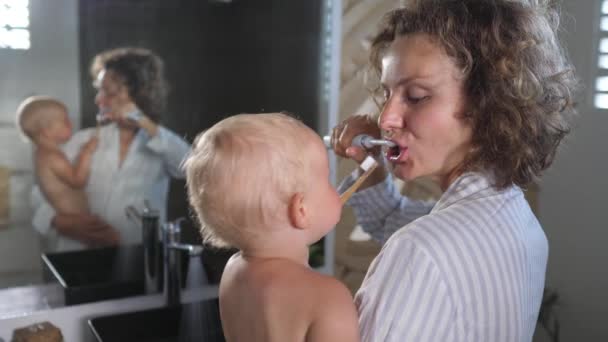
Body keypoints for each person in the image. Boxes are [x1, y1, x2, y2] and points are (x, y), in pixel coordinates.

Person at [329, 1, 578, 341]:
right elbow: (392, 218)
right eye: (387, 93)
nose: (386, 117)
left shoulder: (419, 250)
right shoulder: (518, 219)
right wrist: (370, 165)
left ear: (487, 104)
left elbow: (419, 244)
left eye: (416, 96)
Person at [184, 113, 360, 342]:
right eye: (327, 178)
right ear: (301, 210)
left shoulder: (234, 272)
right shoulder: (328, 298)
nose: (334, 186)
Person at [31, 47, 191, 251]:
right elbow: (39, 191)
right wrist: (59, 221)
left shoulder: (161, 142)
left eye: (108, 91)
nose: (98, 99)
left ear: (139, 94)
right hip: (78, 253)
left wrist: (144, 122)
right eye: (99, 89)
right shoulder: (82, 141)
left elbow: (191, 167)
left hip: (139, 256)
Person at [17, 96, 98, 250]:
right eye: (65, 121)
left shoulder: (43, 154)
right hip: (77, 231)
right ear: (46, 131)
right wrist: (86, 153)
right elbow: (77, 181)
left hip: (78, 228)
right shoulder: (52, 156)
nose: (71, 124)